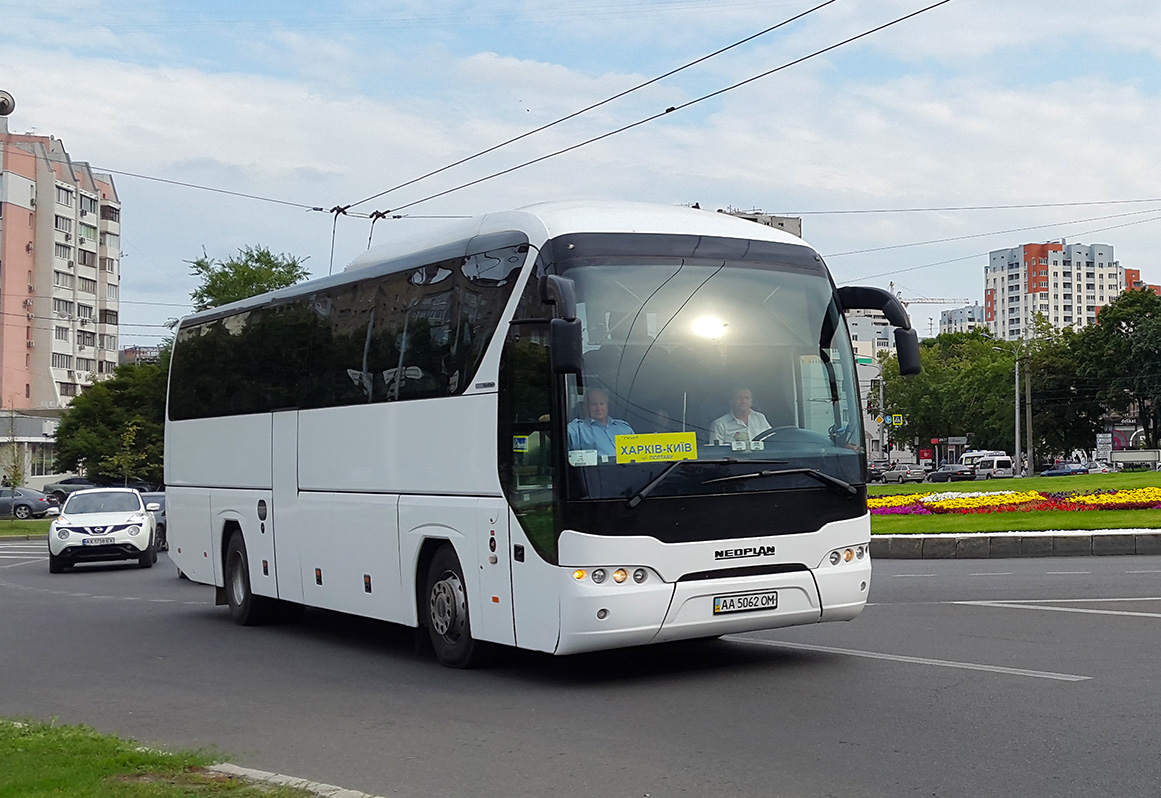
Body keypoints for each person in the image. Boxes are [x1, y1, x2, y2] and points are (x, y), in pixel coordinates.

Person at [567, 388, 634, 457]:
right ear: (586, 407)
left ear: (607, 406)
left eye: (602, 403)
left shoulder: (625, 429)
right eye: (593, 404)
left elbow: (637, 457)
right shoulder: (576, 430)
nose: (598, 408)